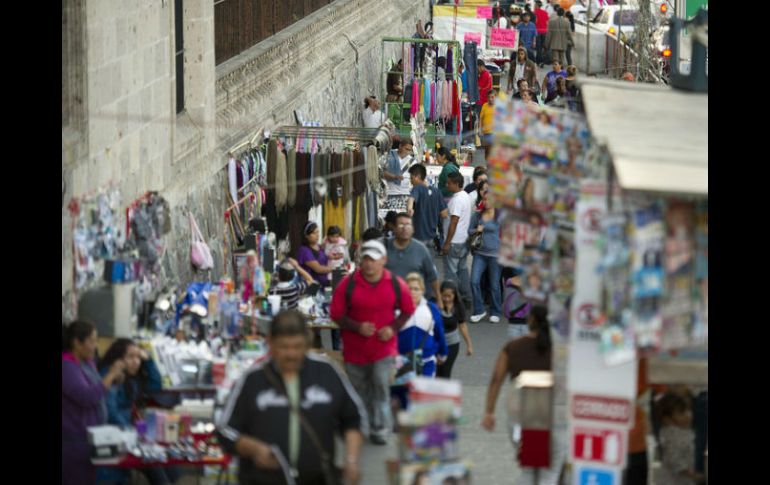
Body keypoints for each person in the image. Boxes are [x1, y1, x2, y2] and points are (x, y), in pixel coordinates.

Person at [217, 310, 365, 485]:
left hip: (319, 479)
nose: (291, 354)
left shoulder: (327, 373)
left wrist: (351, 460)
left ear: (307, 343)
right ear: (270, 343)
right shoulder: (252, 380)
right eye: (284, 347)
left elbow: (353, 418)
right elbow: (225, 429)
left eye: (297, 346)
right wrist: (253, 448)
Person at [330, 240, 416, 445]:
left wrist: (392, 328)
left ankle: (379, 427)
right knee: (359, 389)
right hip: (354, 350)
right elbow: (336, 313)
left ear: (383, 261)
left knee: (380, 386)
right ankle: (361, 423)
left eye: (373, 260)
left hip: (383, 349)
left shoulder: (395, 283)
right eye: (366, 259)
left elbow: (407, 310)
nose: (369, 264)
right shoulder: (348, 284)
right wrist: (356, 326)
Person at [482, 306, 563, 484]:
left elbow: (496, 379)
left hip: (521, 416)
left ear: (530, 320)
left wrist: (489, 412)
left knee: (528, 469)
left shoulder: (513, 346)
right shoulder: (559, 349)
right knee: (549, 472)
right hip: (551, 416)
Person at [98, 339, 181, 485]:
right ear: (118, 359)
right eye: (130, 357)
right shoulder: (110, 374)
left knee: (172, 469)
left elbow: (156, 385)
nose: (136, 361)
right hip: (114, 436)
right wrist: (132, 432)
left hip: (131, 433)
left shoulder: (132, 377)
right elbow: (110, 411)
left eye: (138, 357)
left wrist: (148, 360)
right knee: (157, 470)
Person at [62, 320, 126, 485]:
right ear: (77, 342)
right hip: (74, 442)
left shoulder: (87, 362)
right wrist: (110, 375)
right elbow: (86, 396)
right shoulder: (67, 367)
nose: (95, 345)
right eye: (92, 340)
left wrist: (115, 379)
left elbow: (99, 389)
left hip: (91, 438)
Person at [384, 212, 443, 306]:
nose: (404, 228)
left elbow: (432, 276)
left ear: (413, 229)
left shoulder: (421, 249)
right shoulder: (383, 246)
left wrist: (439, 299)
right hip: (390, 303)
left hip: (415, 303)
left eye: (408, 225)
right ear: (394, 228)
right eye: (401, 225)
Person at [398, 272, 448, 378]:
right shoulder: (396, 309)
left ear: (422, 290)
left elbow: (440, 333)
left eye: (416, 289)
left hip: (426, 363)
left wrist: (443, 353)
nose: (412, 292)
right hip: (401, 363)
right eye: (409, 288)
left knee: (423, 394)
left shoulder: (431, 309)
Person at [655, 392, 705, 485]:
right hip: (673, 480)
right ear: (667, 419)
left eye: (688, 410)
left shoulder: (684, 430)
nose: (688, 415)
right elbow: (674, 459)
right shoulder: (672, 434)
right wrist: (692, 474)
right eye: (681, 412)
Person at [468, 193, 502, 323]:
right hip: (480, 253)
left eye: (490, 199)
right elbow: (469, 231)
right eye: (485, 199)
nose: (486, 201)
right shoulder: (477, 215)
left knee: (494, 285)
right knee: (474, 281)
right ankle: (479, 310)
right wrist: (477, 229)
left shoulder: (500, 216)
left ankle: (495, 311)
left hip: (496, 255)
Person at [441, 171, 473, 309]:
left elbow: (454, 221)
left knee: (451, 273)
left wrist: (447, 243)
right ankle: (466, 298)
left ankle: (454, 302)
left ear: (456, 184)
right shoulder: (465, 196)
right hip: (463, 240)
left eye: (449, 183)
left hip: (454, 242)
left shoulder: (457, 200)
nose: (446, 185)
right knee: (462, 270)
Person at [435, 280, 473, 379]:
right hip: (436, 344)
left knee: (445, 372)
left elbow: (463, 326)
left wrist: (469, 345)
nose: (446, 299)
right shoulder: (435, 305)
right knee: (436, 372)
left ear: (455, 295)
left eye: (449, 296)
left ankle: (444, 393)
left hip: (452, 345)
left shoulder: (458, 306)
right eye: (444, 296)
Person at [407, 163, 448, 249]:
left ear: (417, 176)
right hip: (432, 237)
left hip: (418, 236)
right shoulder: (437, 192)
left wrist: (410, 209)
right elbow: (444, 214)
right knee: (429, 262)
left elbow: (411, 198)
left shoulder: (417, 188)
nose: (410, 181)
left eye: (411, 178)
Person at [384, 138, 416, 212]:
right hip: (389, 192)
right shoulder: (388, 156)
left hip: (404, 194)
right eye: (406, 149)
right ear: (400, 146)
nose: (408, 152)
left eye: (409, 150)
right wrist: (394, 176)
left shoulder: (412, 161)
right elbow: (381, 172)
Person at [479, 89, 496, 160]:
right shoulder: (484, 106)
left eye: (492, 97)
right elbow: (481, 119)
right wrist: (480, 130)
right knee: (487, 152)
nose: (490, 99)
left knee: (492, 151)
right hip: (485, 133)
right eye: (489, 97)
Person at [533, 1, 550, 67]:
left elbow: (535, 22)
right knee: (544, 46)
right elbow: (547, 23)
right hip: (544, 31)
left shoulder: (535, 13)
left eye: (534, 5)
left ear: (537, 5)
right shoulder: (545, 12)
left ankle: (539, 61)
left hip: (537, 31)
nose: (534, 6)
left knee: (538, 47)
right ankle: (545, 60)